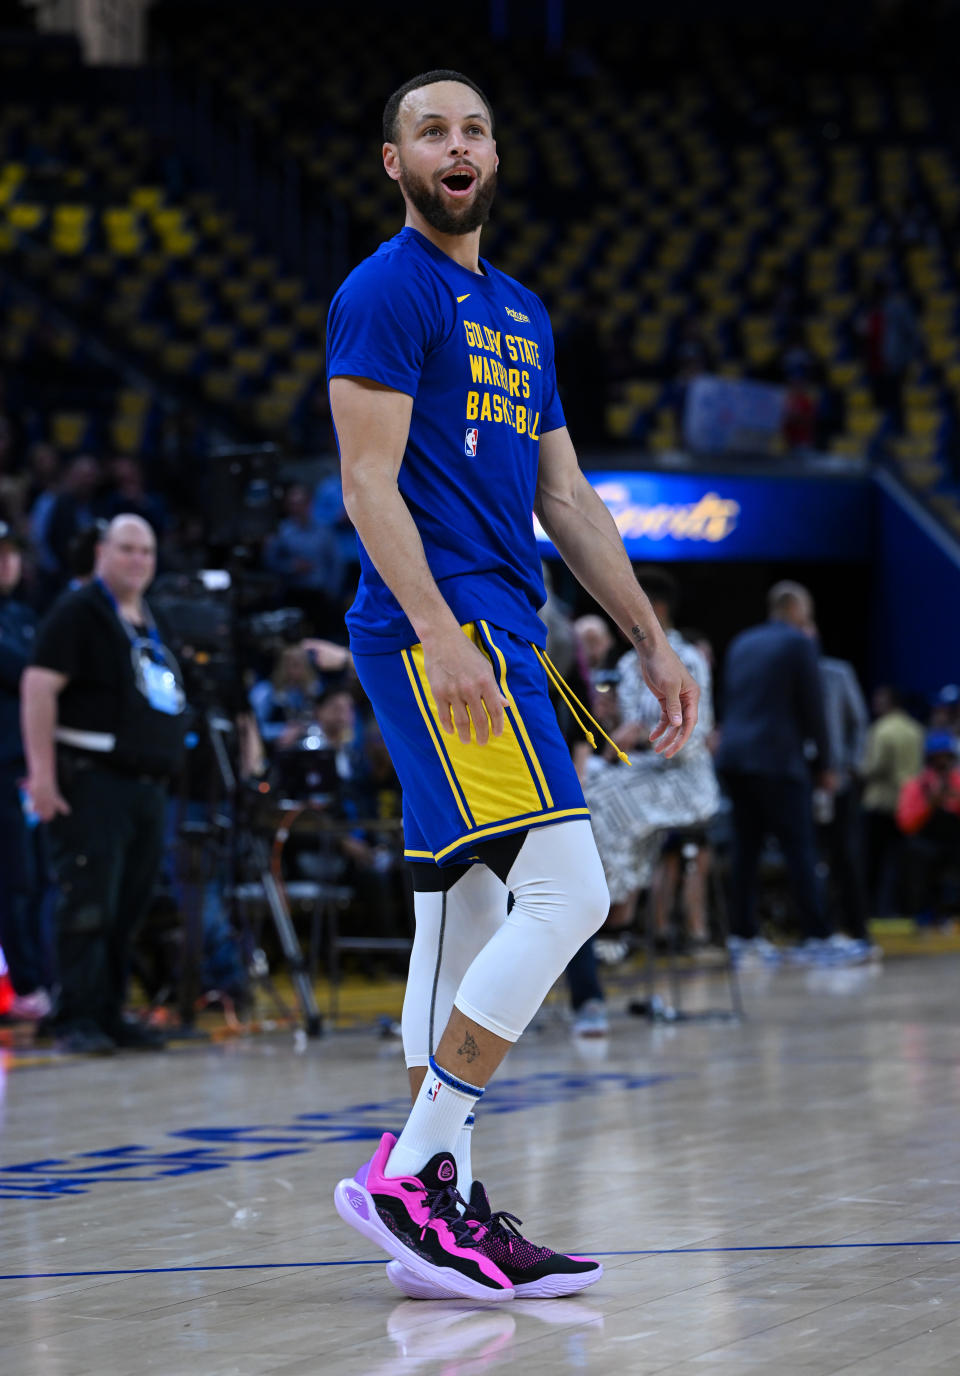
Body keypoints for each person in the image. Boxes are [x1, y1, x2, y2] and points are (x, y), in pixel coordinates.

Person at [327, 70, 698, 1302]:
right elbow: (368, 484)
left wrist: (646, 632)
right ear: (396, 163)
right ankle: (420, 1166)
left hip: (508, 629)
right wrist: (438, 631)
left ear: (494, 155)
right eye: (430, 129)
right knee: (572, 887)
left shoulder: (522, 313)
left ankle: (449, 1204)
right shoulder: (384, 291)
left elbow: (568, 498)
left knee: (465, 920)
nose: (456, 143)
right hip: (450, 635)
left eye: (474, 127)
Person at [21, 514, 188, 1054]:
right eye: (127, 549)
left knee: (128, 906)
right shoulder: (79, 612)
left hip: (145, 786)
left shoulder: (149, 617)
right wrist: (42, 776)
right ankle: (75, 1016)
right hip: (92, 781)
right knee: (86, 902)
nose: (138, 560)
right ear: (101, 552)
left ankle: (110, 1012)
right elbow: (38, 689)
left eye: (146, 551)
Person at [584, 568, 720, 950]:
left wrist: (642, 735)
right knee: (585, 784)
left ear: (654, 608)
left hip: (685, 781)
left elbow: (695, 740)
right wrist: (606, 718)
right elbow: (619, 742)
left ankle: (617, 915)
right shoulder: (628, 665)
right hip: (645, 772)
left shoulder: (687, 659)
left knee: (603, 796)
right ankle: (607, 907)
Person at [715, 581, 833, 964]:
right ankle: (816, 935)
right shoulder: (799, 642)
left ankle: (743, 935)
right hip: (779, 761)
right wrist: (825, 765)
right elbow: (813, 707)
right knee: (799, 848)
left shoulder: (742, 642)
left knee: (745, 850)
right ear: (796, 609)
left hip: (734, 759)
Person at [0, 521, 51, 1019]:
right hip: (2, 772)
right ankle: (28, 986)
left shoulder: (22, 613)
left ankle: (40, 981)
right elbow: (26, 670)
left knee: (36, 884)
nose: (7, 564)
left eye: (12, 554)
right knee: (15, 886)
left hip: (27, 771)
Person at [860, 686, 925, 916]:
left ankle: (870, 912)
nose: (875, 703)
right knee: (902, 862)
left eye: (879, 699)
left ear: (890, 702)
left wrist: (858, 770)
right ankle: (903, 910)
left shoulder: (882, 729)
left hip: (881, 803)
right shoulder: (915, 730)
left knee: (873, 862)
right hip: (910, 804)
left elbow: (874, 767)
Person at [895, 732, 960, 929]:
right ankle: (924, 912)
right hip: (925, 844)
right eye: (937, 758)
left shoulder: (957, 782)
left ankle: (949, 911)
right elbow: (906, 823)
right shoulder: (916, 785)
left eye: (946, 758)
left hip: (953, 843)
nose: (942, 763)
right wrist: (929, 804)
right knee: (920, 857)